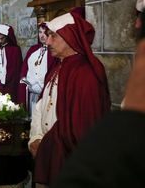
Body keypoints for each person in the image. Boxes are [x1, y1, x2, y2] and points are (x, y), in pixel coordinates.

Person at [51, 0, 145, 188]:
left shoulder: (86, 72)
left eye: (141, 19)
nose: (135, 25)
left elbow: (85, 128)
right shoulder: (66, 66)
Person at [29, 11, 110, 186]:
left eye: (53, 36)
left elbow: (81, 130)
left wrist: (44, 146)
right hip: (48, 154)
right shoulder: (56, 68)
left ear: (70, 37)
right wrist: (35, 137)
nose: (48, 41)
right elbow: (40, 106)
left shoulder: (86, 73)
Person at [17, 23, 56, 114]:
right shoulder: (33, 49)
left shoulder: (54, 50)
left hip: (44, 93)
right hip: (31, 92)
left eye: (45, 33)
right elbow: (24, 69)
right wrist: (25, 82)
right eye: (40, 32)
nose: (42, 35)